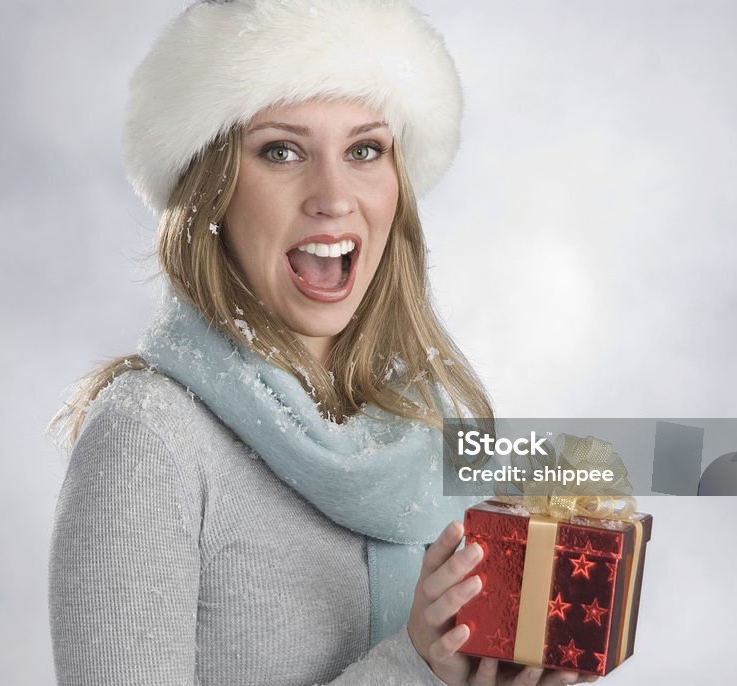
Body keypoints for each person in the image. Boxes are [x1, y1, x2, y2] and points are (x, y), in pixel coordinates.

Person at [48, 1, 594, 684]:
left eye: (364, 150)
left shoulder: (431, 428)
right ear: (211, 190)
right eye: (281, 151)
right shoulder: (149, 438)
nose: (334, 197)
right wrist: (412, 668)